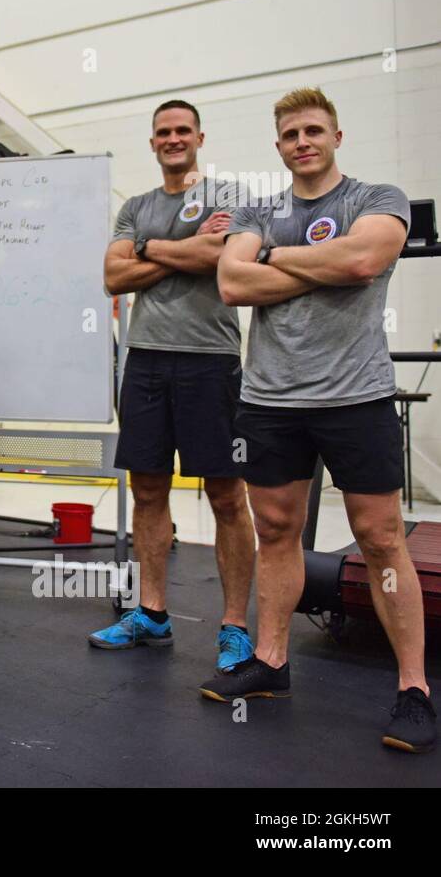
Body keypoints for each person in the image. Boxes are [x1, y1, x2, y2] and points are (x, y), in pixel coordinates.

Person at [200, 86, 433, 754]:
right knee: (277, 531)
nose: (303, 141)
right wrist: (319, 267)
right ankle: (271, 662)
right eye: (291, 134)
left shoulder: (375, 198)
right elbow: (232, 284)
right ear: (279, 146)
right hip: (271, 400)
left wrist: (271, 258)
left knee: (382, 538)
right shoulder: (257, 209)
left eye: (314, 130)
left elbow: (365, 259)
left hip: (356, 397)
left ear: (336, 136)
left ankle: (413, 688)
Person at [90, 99, 256, 672]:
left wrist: (149, 248)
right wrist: (184, 252)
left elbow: (220, 254)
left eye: (183, 130)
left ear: (200, 138)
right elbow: (113, 275)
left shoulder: (228, 197)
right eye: (163, 132)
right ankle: (152, 614)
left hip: (210, 362)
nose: (173, 138)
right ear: (153, 142)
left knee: (227, 496)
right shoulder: (135, 206)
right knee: (149, 490)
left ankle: (235, 627)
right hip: (147, 364)